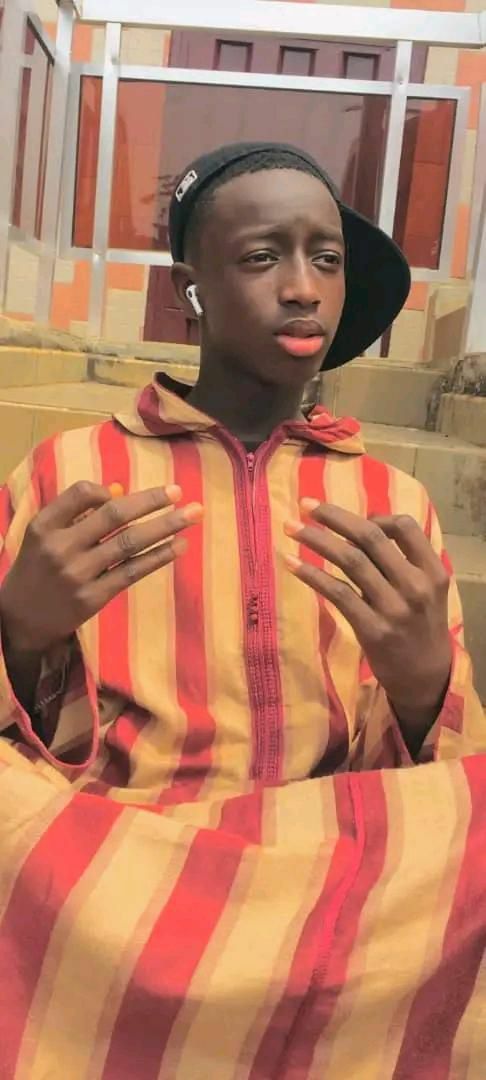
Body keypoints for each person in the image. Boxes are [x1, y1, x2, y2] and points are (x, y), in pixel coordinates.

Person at [0, 142, 484, 1078]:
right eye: (262, 257)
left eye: (326, 259)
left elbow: (433, 764)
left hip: (330, 867)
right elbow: (29, 741)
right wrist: (20, 631)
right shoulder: (71, 474)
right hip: (115, 869)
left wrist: (426, 687)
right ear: (191, 290)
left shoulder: (391, 502)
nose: (303, 288)